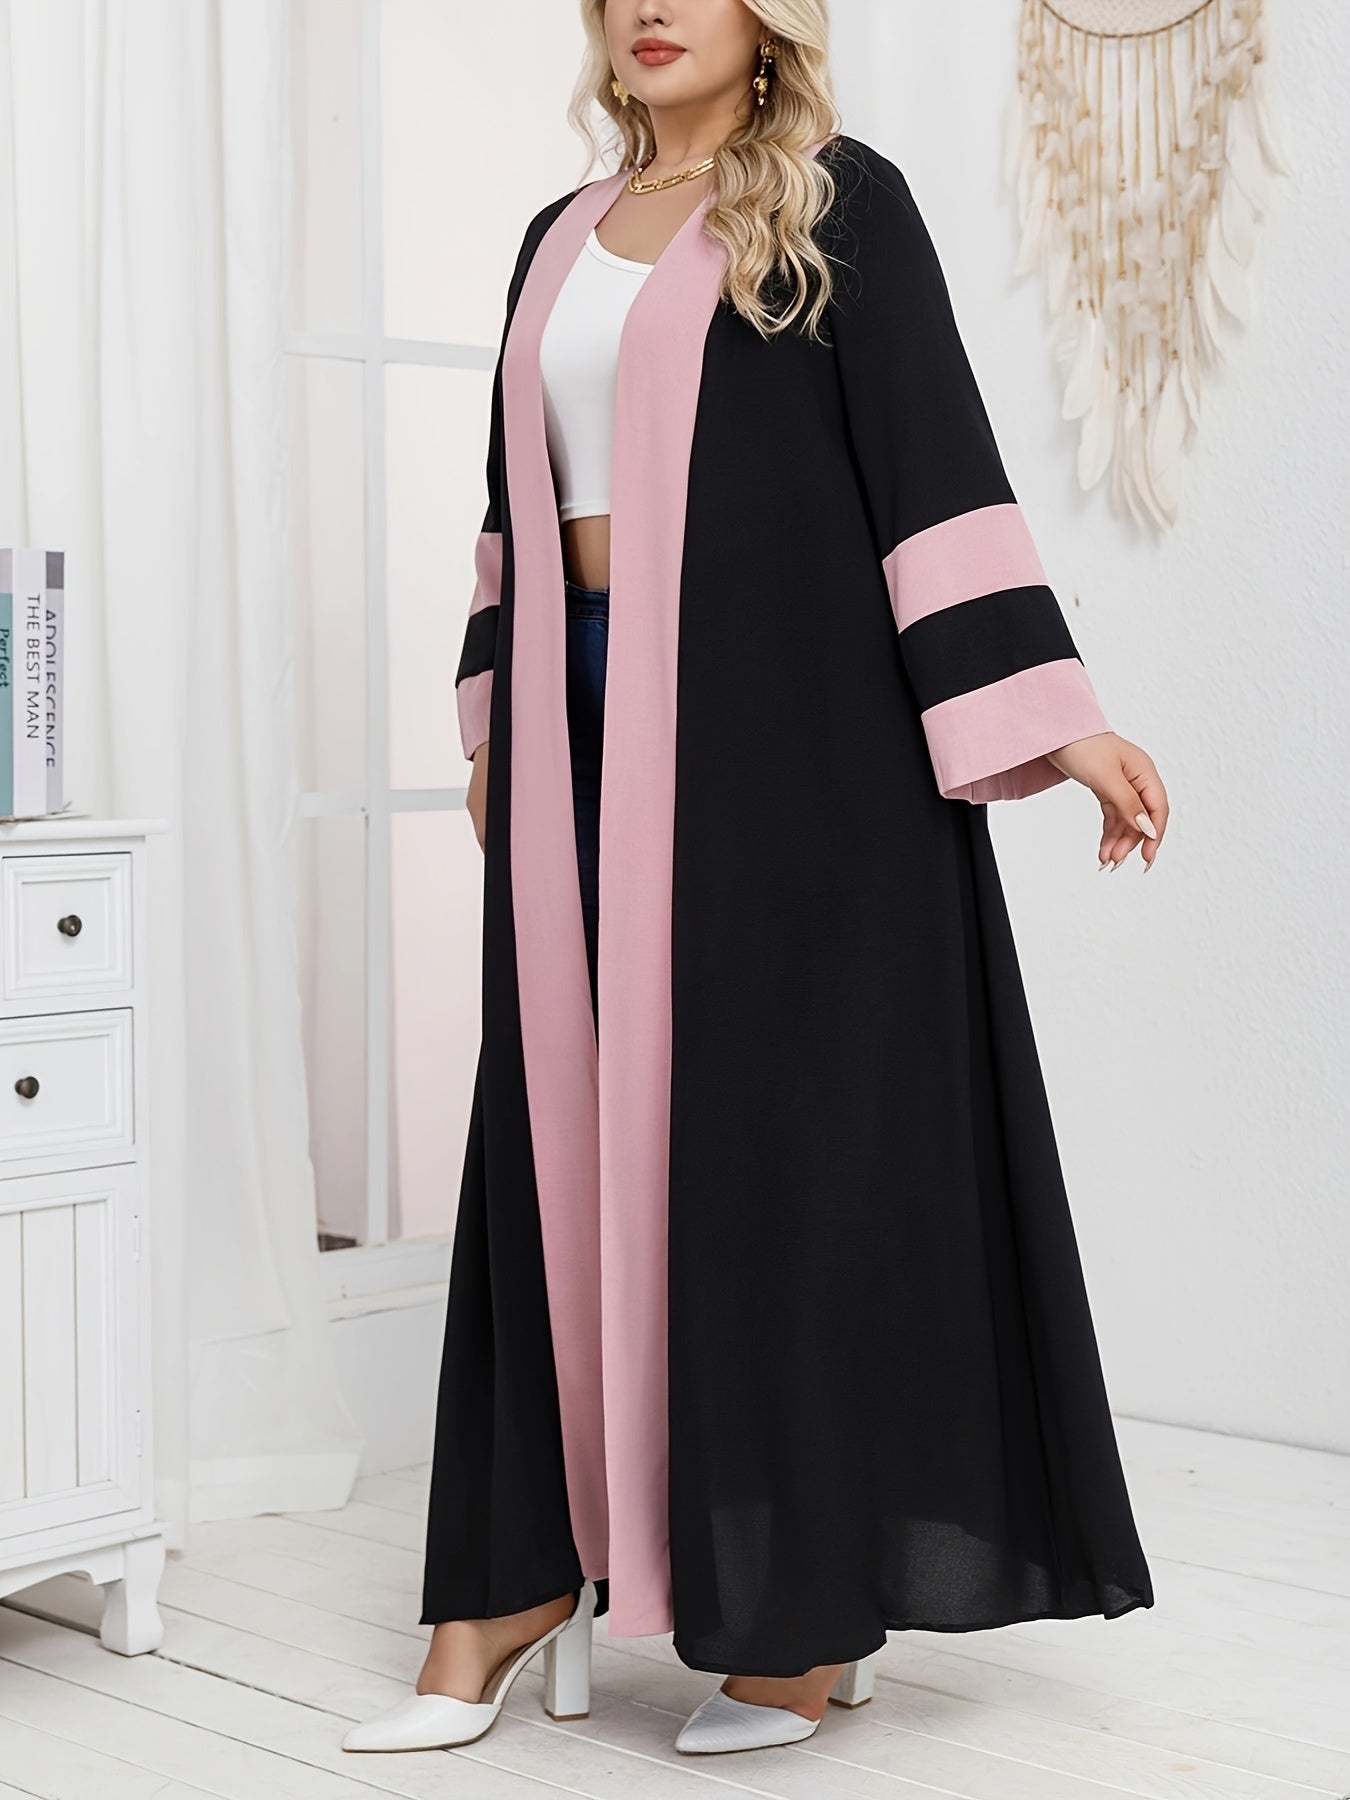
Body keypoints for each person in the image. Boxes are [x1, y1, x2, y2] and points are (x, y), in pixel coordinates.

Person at [343, 0, 1165, 1761]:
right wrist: (493, 722)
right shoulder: (557, 235)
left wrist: (1057, 719)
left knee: (779, 1155)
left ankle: (796, 1610)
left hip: (797, 746)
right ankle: (514, 1572)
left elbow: (930, 467)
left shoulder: (836, 201)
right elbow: (507, 513)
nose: (652, 6)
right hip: (577, 727)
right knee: (552, 1129)